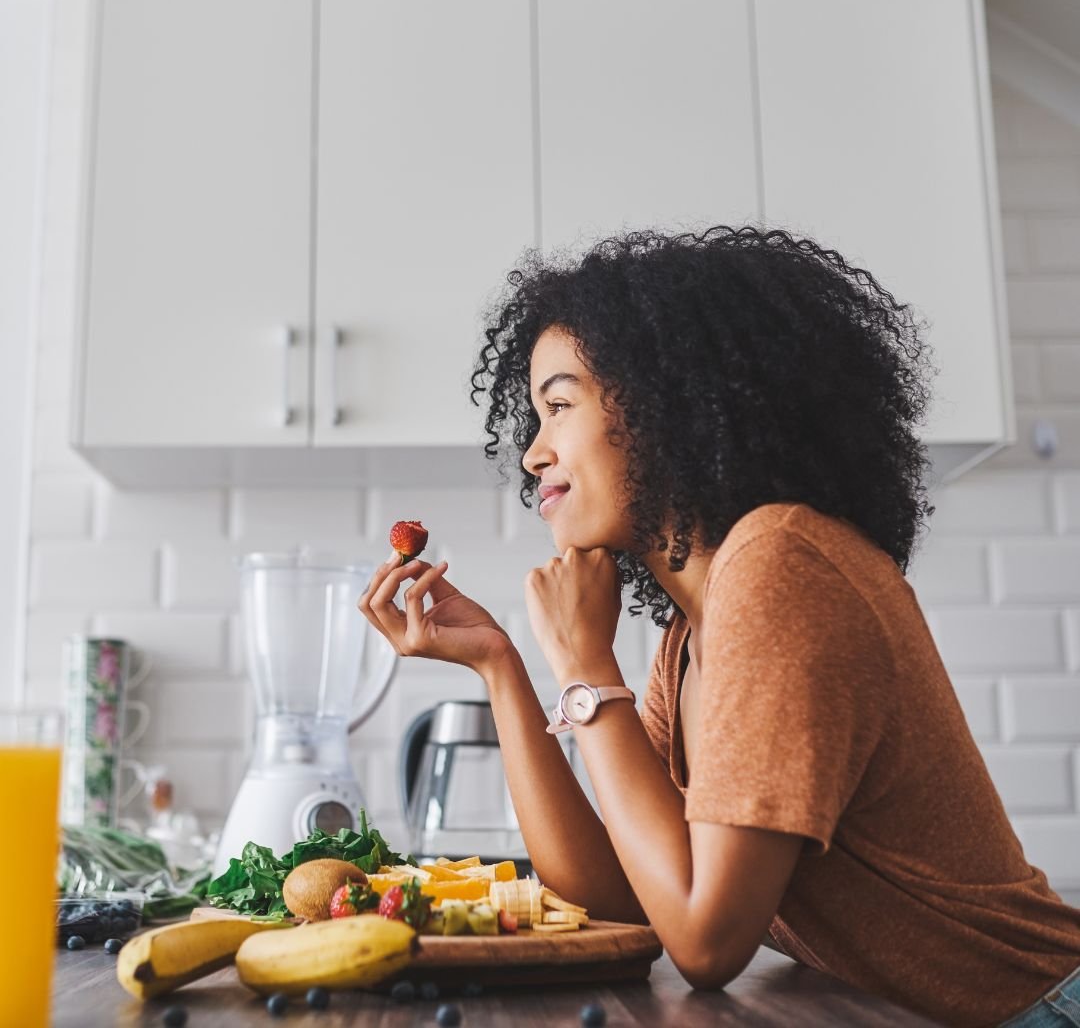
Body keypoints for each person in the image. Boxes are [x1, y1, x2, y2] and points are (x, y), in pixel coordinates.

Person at [359, 226, 1080, 1027]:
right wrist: (500, 666)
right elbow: (624, 899)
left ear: (664, 404)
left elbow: (705, 945)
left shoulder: (781, 566)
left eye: (559, 405)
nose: (533, 453)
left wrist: (588, 666)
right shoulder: (690, 634)